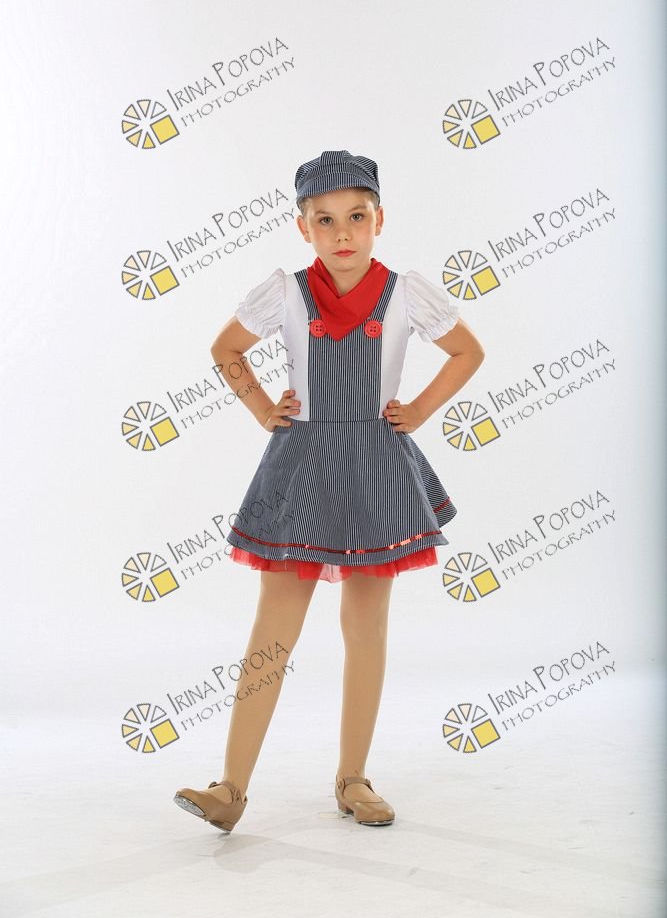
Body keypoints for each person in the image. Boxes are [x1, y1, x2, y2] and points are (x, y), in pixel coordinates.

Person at [173, 150, 485, 834]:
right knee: (272, 633)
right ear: (302, 226)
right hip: (302, 465)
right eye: (325, 220)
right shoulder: (285, 293)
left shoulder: (406, 292)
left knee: (365, 629)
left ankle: (353, 779)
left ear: (379, 220)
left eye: (356, 217)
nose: (342, 233)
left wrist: (419, 409)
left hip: (375, 465)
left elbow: (468, 351)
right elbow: (226, 349)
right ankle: (230, 788)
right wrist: (263, 409)